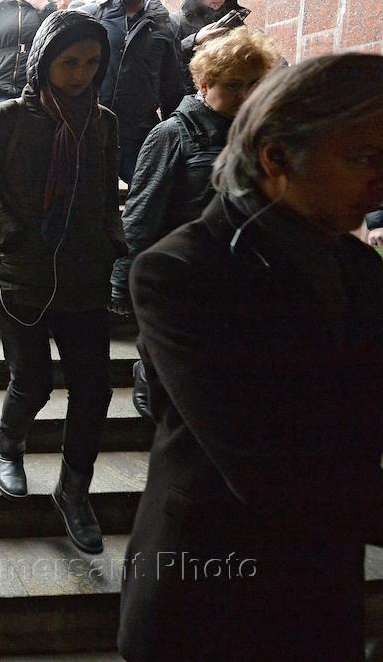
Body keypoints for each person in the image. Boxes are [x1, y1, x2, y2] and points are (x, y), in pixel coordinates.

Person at [118, 53, 383, 661]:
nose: (379, 181)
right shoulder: (182, 270)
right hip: (211, 588)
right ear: (276, 158)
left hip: (322, 581)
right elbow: (270, 464)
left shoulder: (356, 264)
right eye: (361, 158)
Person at [0, 10, 123, 555]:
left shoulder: (103, 122)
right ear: (44, 61)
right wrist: (10, 235)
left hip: (83, 276)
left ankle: (74, 490)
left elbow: (107, 194)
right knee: (33, 380)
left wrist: (112, 242)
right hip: (16, 276)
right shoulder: (7, 119)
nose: (80, 74)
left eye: (91, 63)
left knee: (94, 388)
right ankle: (8, 446)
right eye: (69, 62)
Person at [111, 27, 281, 315]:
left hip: (245, 281)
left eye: (253, 84)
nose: (245, 95)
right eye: (233, 85)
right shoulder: (173, 133)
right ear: (204, 85)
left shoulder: (259, 135)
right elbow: (143, 213)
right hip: (185, 280)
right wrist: (121, 284)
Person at [81, 0, 185, 183]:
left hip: (140, 130)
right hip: (92, 125)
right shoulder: (92, 17)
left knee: (146, 190)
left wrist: (175, 132)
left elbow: (171, 83)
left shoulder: (166, 24)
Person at [171, 0, 250, 93]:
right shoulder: (175, 22)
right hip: (185, 100)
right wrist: (194, 40)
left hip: (225, 98)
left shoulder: (233, 24)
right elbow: (163, 62)